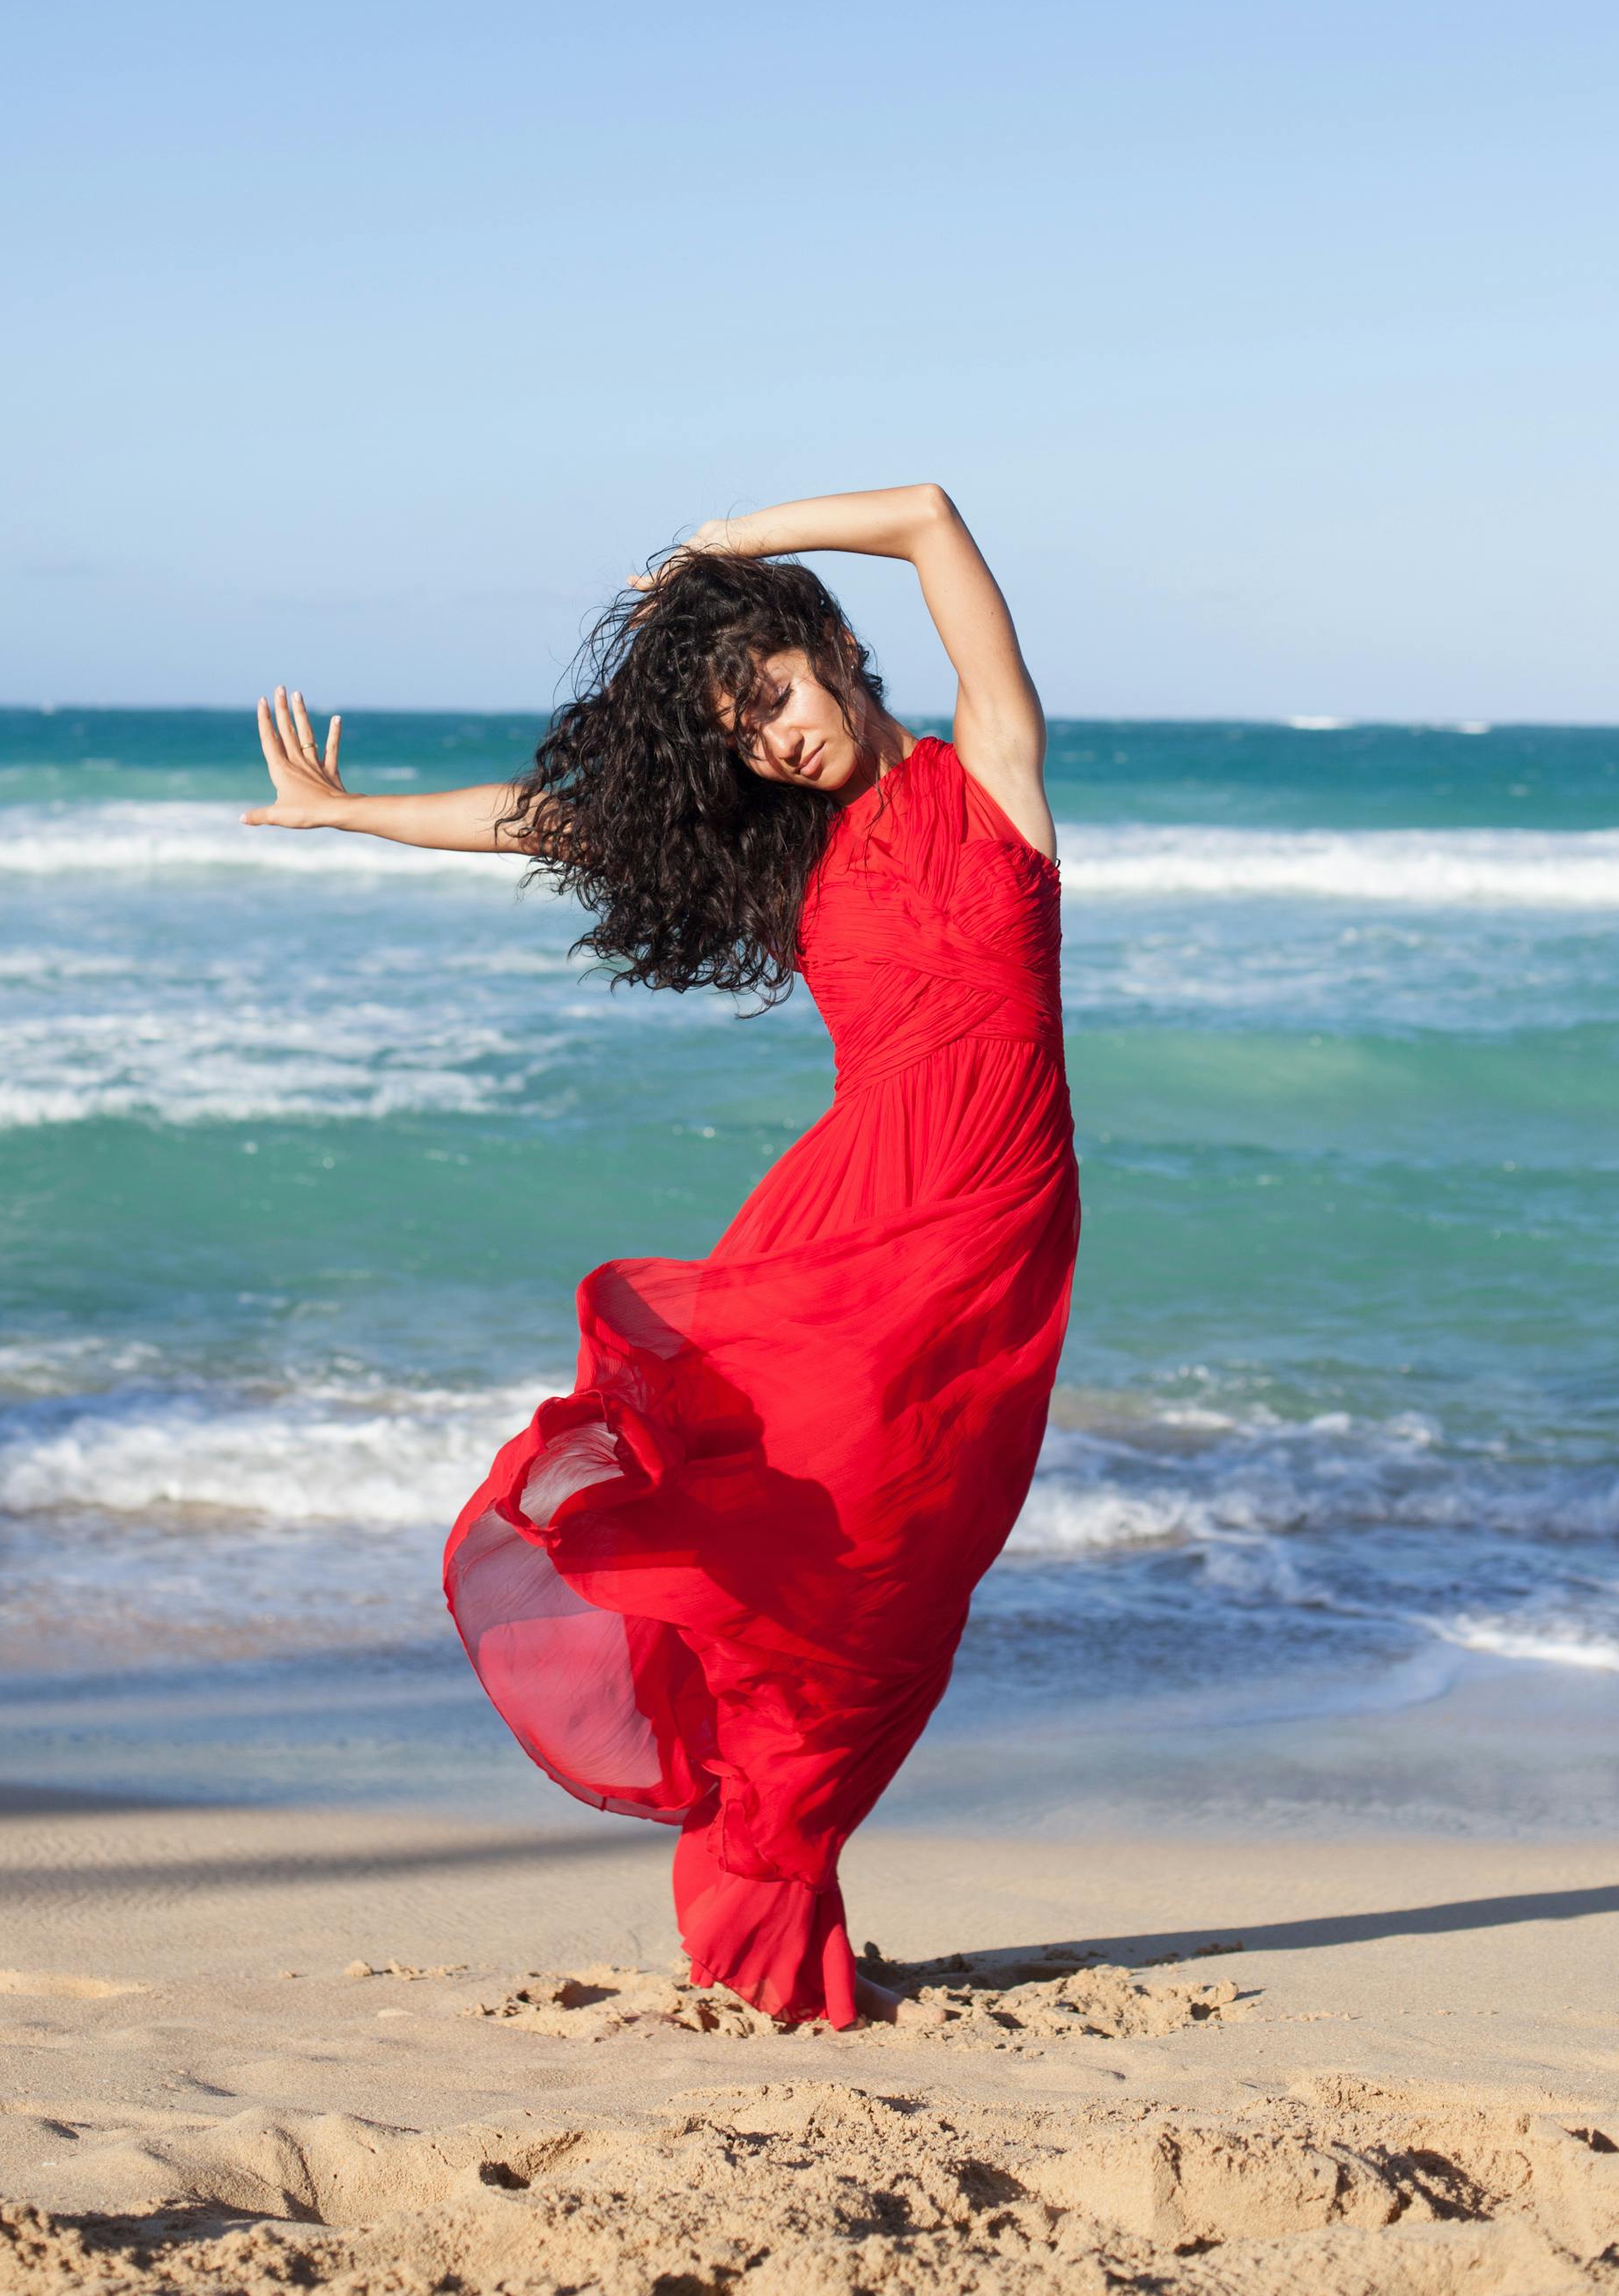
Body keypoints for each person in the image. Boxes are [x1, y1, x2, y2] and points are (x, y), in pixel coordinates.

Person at [246, 485, 1079, 2026]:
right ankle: (773, 1867)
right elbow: (556, 818)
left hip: (986, 1221)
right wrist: (351, 814)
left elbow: (928, 519)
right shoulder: (792, 854)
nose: (775, 740)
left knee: (905, 1566)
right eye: (743, 730)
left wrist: (719, 553)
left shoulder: (997, 778)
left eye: (775, 695)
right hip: (846, 1223)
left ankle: (785, 1856)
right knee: (807, 1541)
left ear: (831, 650)